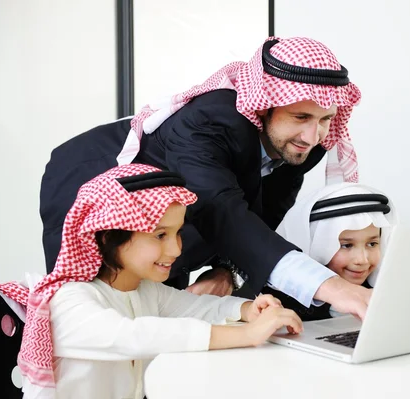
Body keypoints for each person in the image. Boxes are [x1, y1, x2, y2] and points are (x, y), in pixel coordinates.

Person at [40, 36, 370, 319]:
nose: (313, 136)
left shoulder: (300, 144)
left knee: (163, 308)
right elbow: (220, 210)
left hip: (174, 225)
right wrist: (331, 286)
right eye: (300, 116)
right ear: (263, 107)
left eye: (326, 119)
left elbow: (261, 215)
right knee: (99, 314)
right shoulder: (209, 121)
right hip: (87, 175)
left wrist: (225, 270)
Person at [0, 164, 302, 399]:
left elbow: (198, 308)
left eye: (178, 232)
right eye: (160, 236)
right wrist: (248, 334)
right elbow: (136, 335)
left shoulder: (142, 290)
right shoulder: (66, 301)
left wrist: (249, 309)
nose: (176, 249)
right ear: (108, 237)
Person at [263, 183, 399, 321]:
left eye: (372, 244)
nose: (362, 260)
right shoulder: (277, 304)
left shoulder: (382, 294)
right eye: (346, 245)